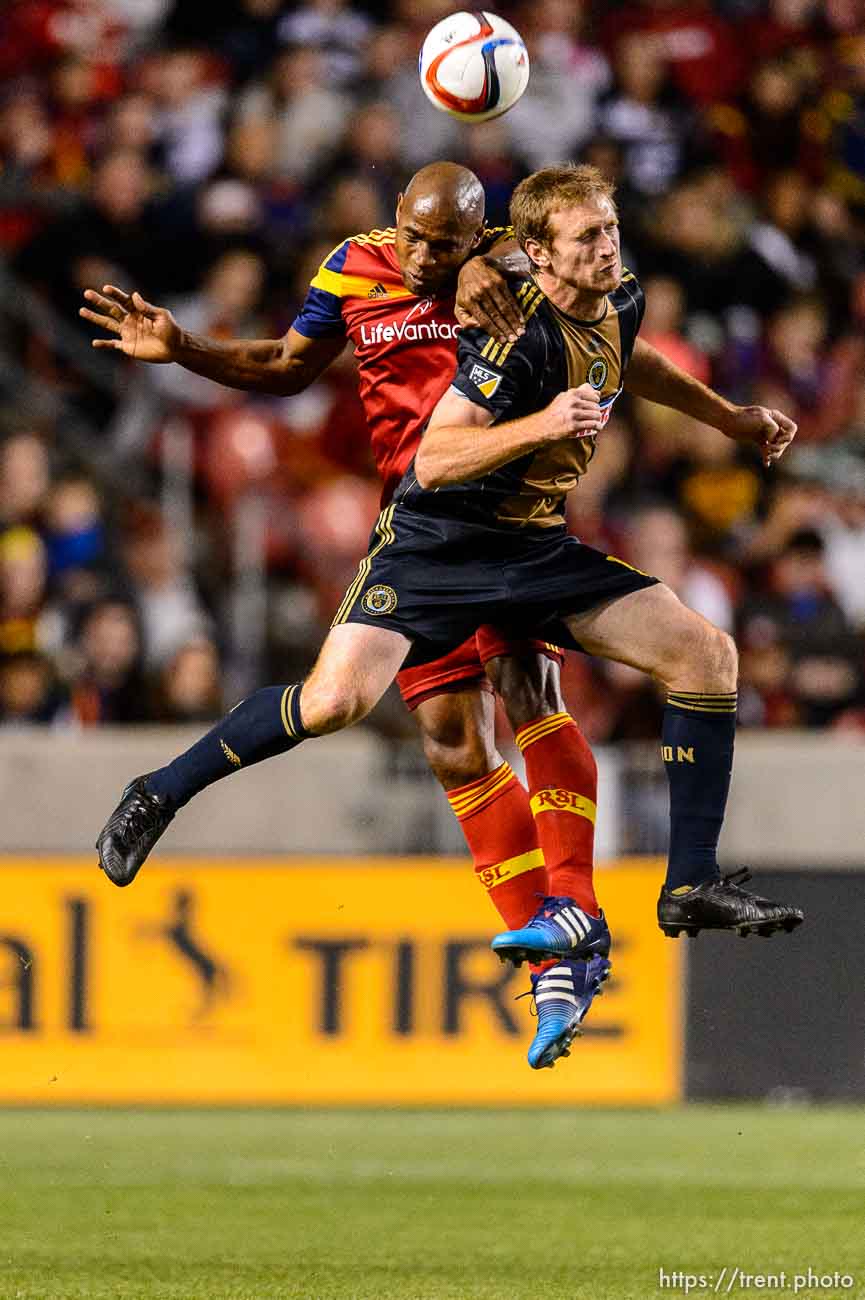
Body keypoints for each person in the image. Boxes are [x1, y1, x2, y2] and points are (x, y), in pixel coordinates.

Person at [84, 163, 610, 1070]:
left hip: (512, 518)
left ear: (476, 233)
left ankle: (565, 949)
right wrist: (185, 350)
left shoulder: (520, 261)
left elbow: (604, 304)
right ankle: (158, 791)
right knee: (423, 730)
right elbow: (288, 367)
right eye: (411, 234)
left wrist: (498, 262)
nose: (419, 255)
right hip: (417, 528)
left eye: (442, 244)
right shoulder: (354, 267)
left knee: (529, 689)